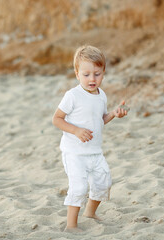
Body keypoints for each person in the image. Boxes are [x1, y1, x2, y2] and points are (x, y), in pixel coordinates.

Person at [52, 45, 128, 232]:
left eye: (97, 74)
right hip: (74, 152)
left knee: (103, 182)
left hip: (94, 151)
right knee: (78, 188)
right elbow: (57, 119)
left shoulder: (101, 95)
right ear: (77, 74)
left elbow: (99, 120)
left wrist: (114, 114)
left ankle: (90, 213)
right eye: (86, 75)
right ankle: (71, 225)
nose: (92, 79)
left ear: (103, 73)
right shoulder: (73, 96)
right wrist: (76, 130)